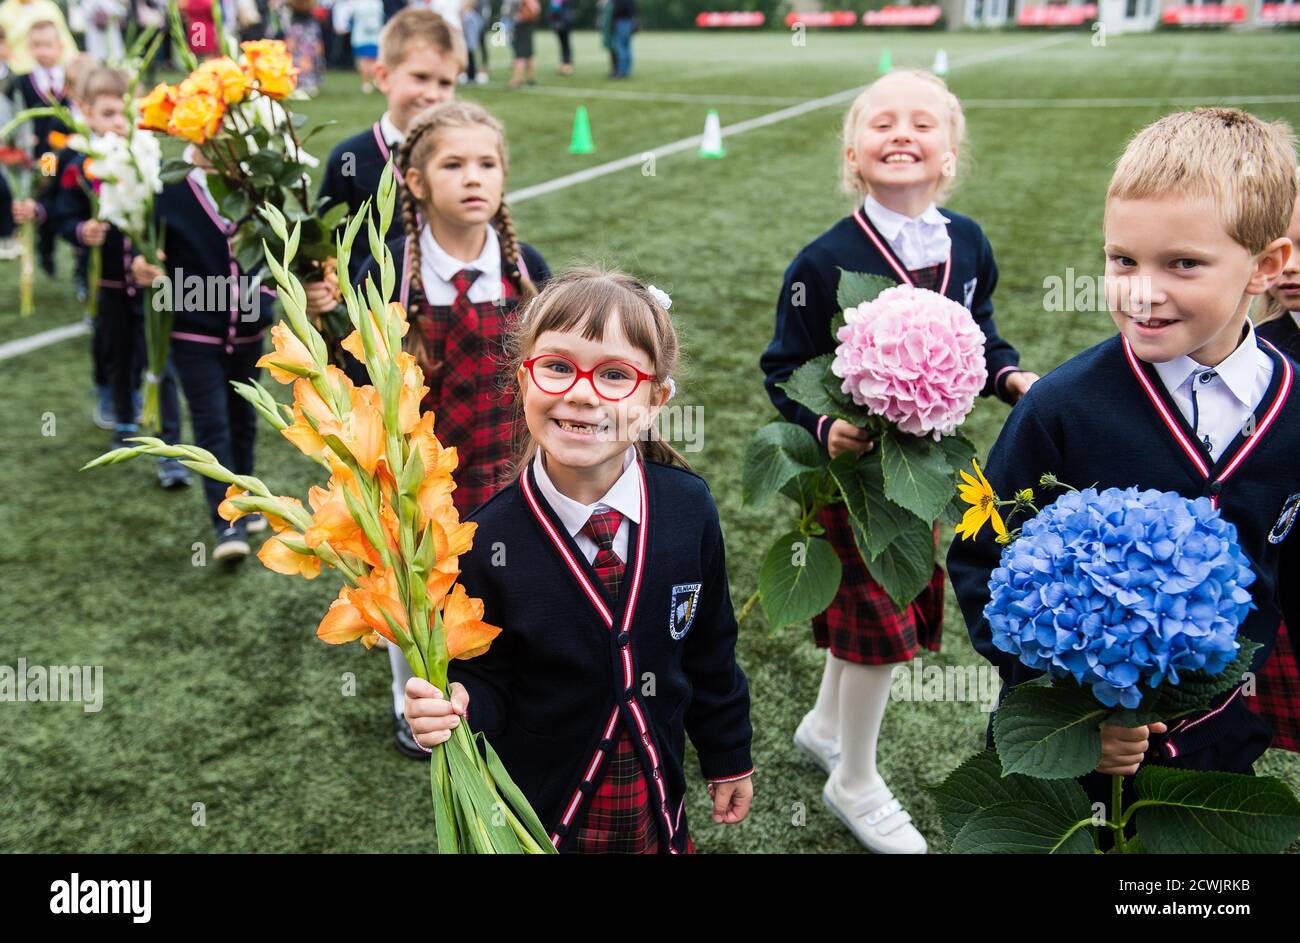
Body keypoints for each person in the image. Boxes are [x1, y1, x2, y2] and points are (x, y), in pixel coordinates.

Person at [947, 108, 1300, 840]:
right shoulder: (1061, 409)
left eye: (1183, 264)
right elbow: (982, 557)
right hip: (1077, 747)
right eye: (1121, 261)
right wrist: (1073, 717)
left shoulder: (1295, 402)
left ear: (1265, 267)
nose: (1142, 291)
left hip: (1217, 743)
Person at [759, 69, 1038, 854]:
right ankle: (853, 778)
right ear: (854, 153)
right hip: (853, 480)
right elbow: (783, 366)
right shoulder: (825, 259)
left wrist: (1012, 376)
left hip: (929, 470)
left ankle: (823, 727)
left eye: (923, 123)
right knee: (874, 625)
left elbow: (981, 336)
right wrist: (824, 427)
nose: (902, 134)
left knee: (881, 612)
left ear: (950, 154)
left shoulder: (970, 241)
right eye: (881, 123)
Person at [403, 267, 754, 852]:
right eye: (558, 366)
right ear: (523, 380)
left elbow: (711, 648)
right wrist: (459, 703)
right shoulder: (485, 537)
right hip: (545, 811)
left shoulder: (690, 510)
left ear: (654, 400)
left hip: (655, 798)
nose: (582, 391)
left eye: (615, 374)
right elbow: (487, 674)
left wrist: (729, 754)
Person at [350, 99, 551, 758]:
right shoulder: (387, 270)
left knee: (500, 582)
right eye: (454, 164)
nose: (474, 178)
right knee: (414, 595)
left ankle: (497, 692)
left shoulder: (527, 271)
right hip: (418, 474)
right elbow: (355, 369)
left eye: (488, 163)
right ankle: (415, 703)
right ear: (415, 181)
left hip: (505, 465)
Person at [130, 147, 278, 561]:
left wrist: (264, 302)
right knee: (212, 426)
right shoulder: (166, 188)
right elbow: (141, 251)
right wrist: (143, 266)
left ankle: (245, 499)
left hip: (248, 333)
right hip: (193, 334)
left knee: (244, 421)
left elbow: (278, 250)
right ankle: (225, 523)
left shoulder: (257, 185)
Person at [50, 67, 191, 488]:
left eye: (126, 113)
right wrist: (81, 231)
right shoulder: (81, 164)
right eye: (109, 113)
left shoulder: (149, 157)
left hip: (152, 286)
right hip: (110, 283)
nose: (118, 122)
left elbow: (170, 217)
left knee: (159, 361)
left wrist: (165, 253)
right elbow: (63, 213)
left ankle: (169, 448)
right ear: (88, 113)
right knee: (119, 352)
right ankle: (126, 423)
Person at [317, 7, 462, 263]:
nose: (432, 94)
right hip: (368, 300)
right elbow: (326, 241)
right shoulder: (349, 157)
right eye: (420, 77)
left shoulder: (465, 154)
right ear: (383, 77)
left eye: (445, 83)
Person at [503, 0, 536, 88]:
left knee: (519, 54)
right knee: (529, 52)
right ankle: (531, 77)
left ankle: (517, 79)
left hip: (520, 24)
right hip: (527, 23)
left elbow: (507, 11)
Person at [547, 0, 571, 75]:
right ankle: (564, 64)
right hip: (559, 25)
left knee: (565, 45)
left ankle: (567, 65)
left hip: (564, 25)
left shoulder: (561, 2)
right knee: (562, 45)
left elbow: (563, 12)